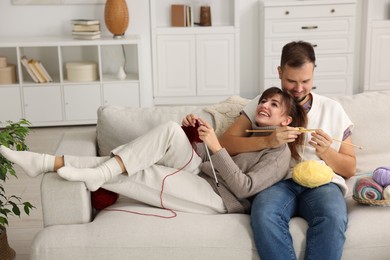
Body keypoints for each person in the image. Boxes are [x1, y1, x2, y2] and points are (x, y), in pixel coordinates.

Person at [0, 87, 306, 215]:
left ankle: (43, 162)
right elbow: (214, 157)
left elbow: (243, 188)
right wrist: (197, 137)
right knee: (172, 130)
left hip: (219, 197)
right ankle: (95, 173)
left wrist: (215, 147)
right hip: (202, 171)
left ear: (287, 120)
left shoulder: (280, 155)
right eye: (264, 101)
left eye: (273, 104)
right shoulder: (250, 128)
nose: (264, 105)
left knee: (143, 171)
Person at [219, 41, 356, 259]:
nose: (298, 88)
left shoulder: (333, 109)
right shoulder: (264, 104)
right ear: (280, 72)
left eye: (306, 81)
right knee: (264, 213)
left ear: (313, 73)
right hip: (276, 182)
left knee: (332, 216)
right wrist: (267, 141)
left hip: (322, 183)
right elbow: (224, 143)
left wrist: (327, 152)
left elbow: (350, 168)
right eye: (291, 81)